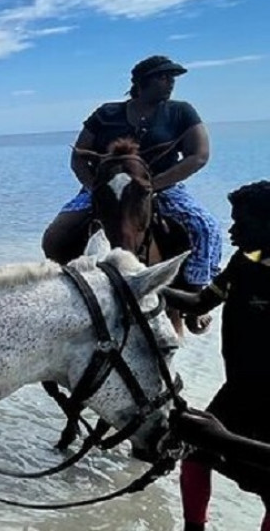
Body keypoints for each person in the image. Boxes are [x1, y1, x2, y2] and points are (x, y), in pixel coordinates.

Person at [41, 55, 221, 327]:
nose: (170, 82)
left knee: (205, 227)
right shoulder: (106, 114)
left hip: (163, 186)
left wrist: (153, 186)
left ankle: (194, 299)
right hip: (106, 188)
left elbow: (198, 155)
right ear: (142, 82)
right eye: (163, 77)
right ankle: (66, 289)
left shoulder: (181, 111)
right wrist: (96, 188)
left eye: (172, 77)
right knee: (56, 234)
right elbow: (79, 157)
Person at [163, 180, 270, 531]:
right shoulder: (244, 262)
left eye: (243, 223)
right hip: (238, 390)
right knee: (196, 453)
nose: (232, 231)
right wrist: (150, 288)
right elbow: (200, 303)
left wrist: (223, 438)